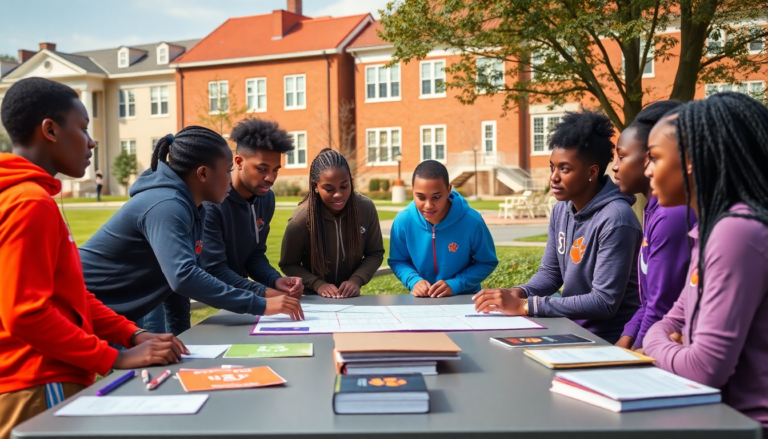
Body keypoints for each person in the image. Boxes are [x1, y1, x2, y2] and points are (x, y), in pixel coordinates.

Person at [0, 78, 186, 438]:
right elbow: (24, 313)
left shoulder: (30, 197)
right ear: (50, 130)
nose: (91, 141)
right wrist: (115, 358)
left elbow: (72, 296)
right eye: (83, 128)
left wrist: (132, 334)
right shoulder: (29, 203)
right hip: (37, 381)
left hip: (40, 379)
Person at [79, 126, 304, 337]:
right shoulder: (167, 205)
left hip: (112, 311)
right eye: (228, 171)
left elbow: (177, 283)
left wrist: (182, 336)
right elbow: (184, 277)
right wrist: (260, 303)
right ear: (203, 173)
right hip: (81, 304)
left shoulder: (193, 207)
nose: (230, 180)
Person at [643, 92, 768, 432]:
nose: (647, 170)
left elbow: (703, 369)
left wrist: (655, 344)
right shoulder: (710, 229)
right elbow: (673, 319)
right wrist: (673, 343)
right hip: (711, 414)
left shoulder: (736, 232)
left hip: (746, 426)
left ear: (690, 160)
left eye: (655, 157)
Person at [473, 109, 641, 343]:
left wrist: (526, 305)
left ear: (592, 172)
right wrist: (519, 292)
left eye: (565, 169)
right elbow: (551, 274)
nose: (553, 177)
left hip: (606, 339)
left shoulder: (616, 219)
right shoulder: (561, 209)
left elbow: (604, 302)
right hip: (568, 326)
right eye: (552, 167)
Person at [612, 101, 695, 350]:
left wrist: (637, 355)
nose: (615, 166)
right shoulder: (654, 210)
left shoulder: (671, 216)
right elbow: (648, 302)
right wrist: (625, 342)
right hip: (661, 342)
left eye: (622, 157)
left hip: (669, 348)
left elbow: (661, 307)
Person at [200, 118, 303, 298]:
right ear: (239, 162)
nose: (271, 178)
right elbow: (214, 269)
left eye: (275, 169)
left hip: (235, 294)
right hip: (176, 292)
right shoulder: (212, 202)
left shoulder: (266, 198)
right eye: (262, 169)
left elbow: (254, 256)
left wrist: (275, 280)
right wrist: (264, 292)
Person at [280, 148, 384, 298]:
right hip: (314, 298)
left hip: (350, 298)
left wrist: (356, 280)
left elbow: (375, 253)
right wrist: (317, 284)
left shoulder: (365, 209)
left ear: (351, 180)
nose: (338, 194)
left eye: (344, 186)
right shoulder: (301, 220)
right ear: (315, 186)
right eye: (329, 189)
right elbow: (288, 264)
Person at [388, 160, 498, 297]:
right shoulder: (403, 221)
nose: (428, 205)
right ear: (413, 191)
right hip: (422, 300)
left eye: (436, 197)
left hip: (464, 298)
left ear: (448, 190)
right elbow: (398, 260)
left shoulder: (473, 222)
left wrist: (457, 283)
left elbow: (487, 262)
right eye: (421, 197)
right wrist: (413, 280)